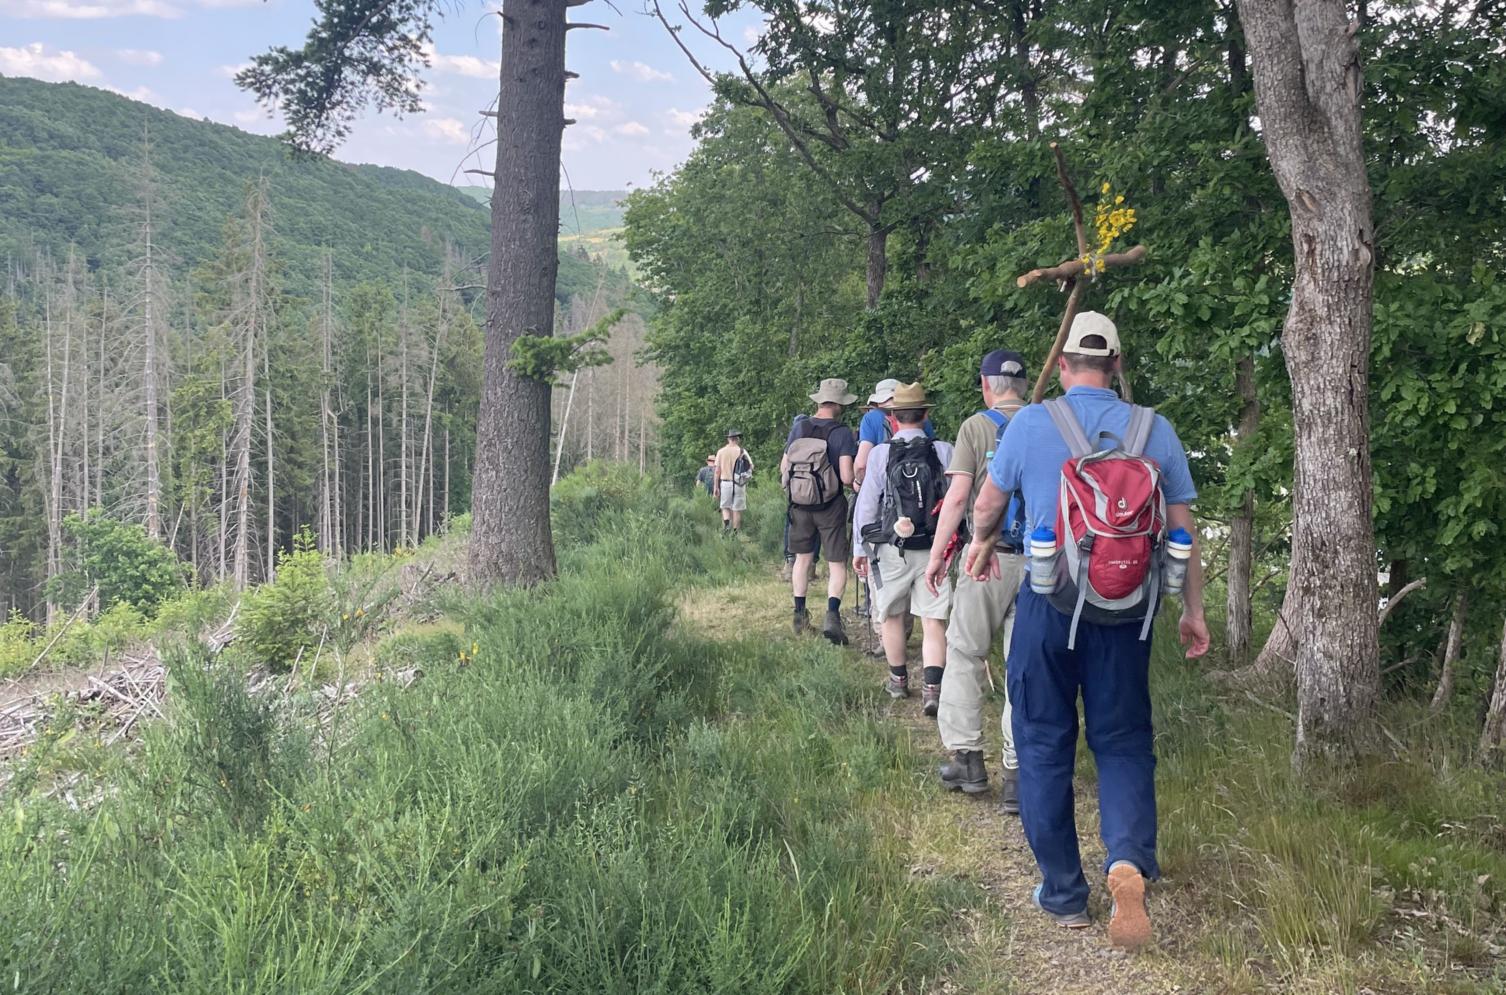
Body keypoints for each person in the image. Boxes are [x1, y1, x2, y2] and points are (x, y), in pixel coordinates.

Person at [965, 312, 1210, 950]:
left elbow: (988, 504)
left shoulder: (1031, 424)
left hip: (1051, 605)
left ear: (1065, 365)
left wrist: (981, 543)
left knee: (1043, 741)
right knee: (1124, 740)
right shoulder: (1156, 431)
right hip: (1128, 611)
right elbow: (1183, 530)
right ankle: (1127, 860)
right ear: (1118, 367)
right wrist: (1193, 611)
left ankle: (1065, 893)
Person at [923, 350, 1029, 813]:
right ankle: (1018, 774)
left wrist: (936, 557)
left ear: (986, 385)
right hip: (1043, 564)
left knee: (965, 653)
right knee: (1024, 666)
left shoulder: (975, 426)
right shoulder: (1050, 422)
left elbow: (959, 497)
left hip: (985, 559)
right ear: (1022, 384)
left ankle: (967, 760)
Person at [852, 383, 953, 715]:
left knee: (893, 615)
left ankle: (898, 682)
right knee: (933, 620)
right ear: (925, 415)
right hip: (935, 548)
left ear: (892, 418)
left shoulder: (881, 454)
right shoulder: (944, 451)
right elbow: (956, 502)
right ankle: (933, 689)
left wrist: (860, 548)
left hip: (892, 549)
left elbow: (866, 507)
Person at [781, 378, 858, 644]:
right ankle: (832, 616)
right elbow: (847, 476)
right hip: (830, 506)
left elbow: (784, 467)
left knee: (802, 560)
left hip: (799, 505)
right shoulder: (842, 433)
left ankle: (800, 615)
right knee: (836, 563)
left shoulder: (799, 427)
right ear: (838, 403)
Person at [713, 429, 752, 535]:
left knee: (725, 507)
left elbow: (717, 471)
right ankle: (735, 533)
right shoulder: (742, 451)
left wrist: (715, 487)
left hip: (725, 482)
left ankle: (726, 525)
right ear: (737, 439)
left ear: (728, 439)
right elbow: (751, 466)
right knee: (737, 510)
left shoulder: (721, 452)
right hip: (739, 484)